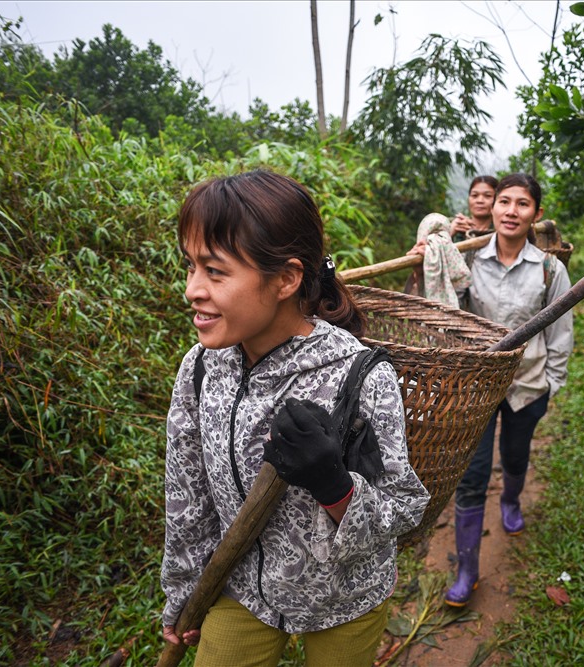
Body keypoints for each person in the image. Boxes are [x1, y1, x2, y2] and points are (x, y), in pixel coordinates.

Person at [160, 169, 429, 666]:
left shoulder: (358, 376)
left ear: (286, 278)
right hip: (241, 589)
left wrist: (336, 488)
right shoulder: (200, 368)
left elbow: (405, 508)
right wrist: (182, 596)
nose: (192, 289)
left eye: (215, 271)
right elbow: (188, 497)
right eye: (191, 266)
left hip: (347, 598)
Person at [415, 173, 574, 608]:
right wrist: (421, 259)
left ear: (535, 214)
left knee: (517, 455)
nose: (510, 211)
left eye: (522, 204)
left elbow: (560, 332)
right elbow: (442, 305)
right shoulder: (468, 260)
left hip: (528, 383)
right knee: (471, 475)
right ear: (494, 208)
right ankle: (467, 570)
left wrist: (552, 382)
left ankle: (511, 499)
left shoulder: (549, 268)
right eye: (504, 202)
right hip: (477, 390)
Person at [448, 175, 498, 240]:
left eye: (487, 196)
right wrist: (449, 233)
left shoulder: (501, 232)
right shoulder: (456, 227)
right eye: (474, 195)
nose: (480, 201)